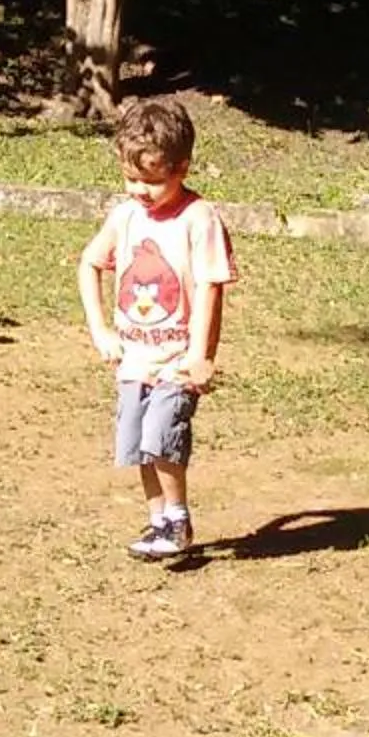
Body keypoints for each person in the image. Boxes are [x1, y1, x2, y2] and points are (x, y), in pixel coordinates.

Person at [77, 97, 237, 560]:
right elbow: (90, 263)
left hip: (177, 361)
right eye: (131, 178)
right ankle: (157, 523)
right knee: (139, 445)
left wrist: (200, 356)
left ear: (182, 167)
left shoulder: (198, 218)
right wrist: (101, 331)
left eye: (152, 181)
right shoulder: (126, 215)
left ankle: (179, 518)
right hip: (133, 360)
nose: (139, 190)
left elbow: (210, 287)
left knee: (162, 436)